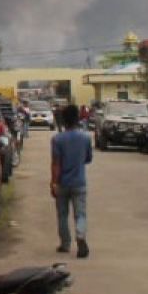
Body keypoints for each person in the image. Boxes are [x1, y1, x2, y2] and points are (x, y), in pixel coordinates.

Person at [50, 104, 93, 259]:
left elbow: (56, 163)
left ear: (63, 120)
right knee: (80, 214)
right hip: (79, 182)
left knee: (62, 214)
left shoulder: (57, 139)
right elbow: (88, 159)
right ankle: (80, 237)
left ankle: (65, 244)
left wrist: (54, 183)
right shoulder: (85, 137)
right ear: (78, 118)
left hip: (62, 183)